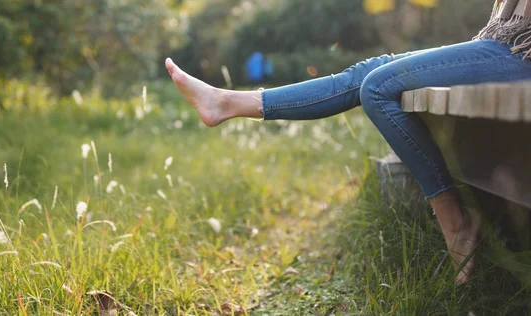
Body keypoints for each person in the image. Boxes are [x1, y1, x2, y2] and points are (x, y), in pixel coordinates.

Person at [164, 0, 531, 284]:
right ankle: (226, 102)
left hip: (519, 51)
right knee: (370, 71)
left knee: (378, 86)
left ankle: (454, 220)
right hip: (504, 41)